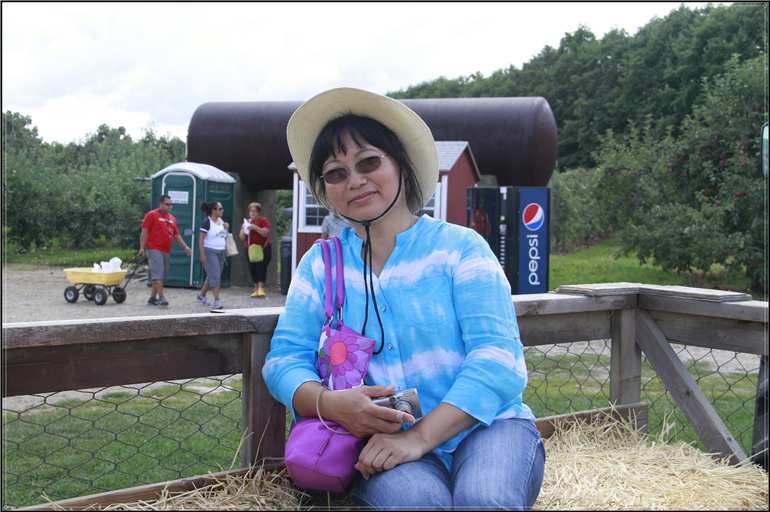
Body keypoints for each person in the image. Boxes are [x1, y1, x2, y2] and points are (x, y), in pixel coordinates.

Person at [262, 87, 544, 510]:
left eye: (368, 162)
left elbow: (498, 359)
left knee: (484, 500)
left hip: (488, 427)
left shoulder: (461, 248)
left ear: (402, 165)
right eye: (335, 173)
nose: (355, 180)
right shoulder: (321, 264)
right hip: (383, 441)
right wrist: (331, 404)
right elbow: (284, 360)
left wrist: (420, 437)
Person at [137, 194, 192, 307]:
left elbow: (176, 235)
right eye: (167, 204)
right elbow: (144, 231)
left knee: (161, 274)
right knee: (158, 273)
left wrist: (185, 247)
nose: (170, 206)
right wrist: (142, 247)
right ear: (160, 204)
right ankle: (162, 298)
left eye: (171, 204)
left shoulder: (172, 218)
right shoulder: (151, 215)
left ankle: (152, 298)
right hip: (153, 248)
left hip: (166, 249)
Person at [196, 201, 229, 310]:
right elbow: (201, 239)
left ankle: (201, 295)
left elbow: (222, 235)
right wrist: (202, 254)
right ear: (213, 211)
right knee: (215, 276)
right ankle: (217, 300)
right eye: (220, 209)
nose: (222, 210)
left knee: (213, 275)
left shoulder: (221, 221)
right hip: (210, 251)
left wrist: (226, 228)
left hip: (221, 251)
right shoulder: (207, 222)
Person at [238, 202, 272, 298]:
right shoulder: (246, 222)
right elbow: (242, 237)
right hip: (250, 249)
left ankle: (261, 288)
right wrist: (244, 229)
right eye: (251, 210)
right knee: (252, 268)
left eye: (255, 211)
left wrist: (255, 228)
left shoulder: (263, 220)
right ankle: (256, 289)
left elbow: (265, 233)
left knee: (261, 267)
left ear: (259, 212)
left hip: (263, 248)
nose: (253, 213)